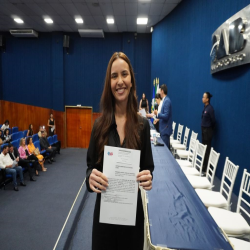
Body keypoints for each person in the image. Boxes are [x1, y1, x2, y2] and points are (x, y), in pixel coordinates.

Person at [86, 52, 154, 250]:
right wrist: (91, 179)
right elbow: (91, 169)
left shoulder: (143, 125)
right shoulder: (99, 126)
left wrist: (148, 178)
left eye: (124, 74)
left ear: (131, 80)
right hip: (104, 220)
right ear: (109, 83)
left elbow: (148, 168)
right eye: (114, 76)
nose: (119, 81)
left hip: (132, 218)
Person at [153, 84, 172, 149]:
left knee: (165, 151)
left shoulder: (167, 101)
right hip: (163, 129)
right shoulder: (164, 100)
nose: (159, 93)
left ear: (162, 91)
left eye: (159, 91)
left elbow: (166, 116)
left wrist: (157, 114)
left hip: (165, 130)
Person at [201, 92, 216, 173]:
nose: (202, 98)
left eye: (204, 97)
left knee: (207, 150)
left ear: (207, 99)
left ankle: (207, 168)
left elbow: (213, 121)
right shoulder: (205, 107)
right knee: (204, 149)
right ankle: (203, 166)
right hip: (203, 131)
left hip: (208, 132)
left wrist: (210, 129)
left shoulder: (210, 109)